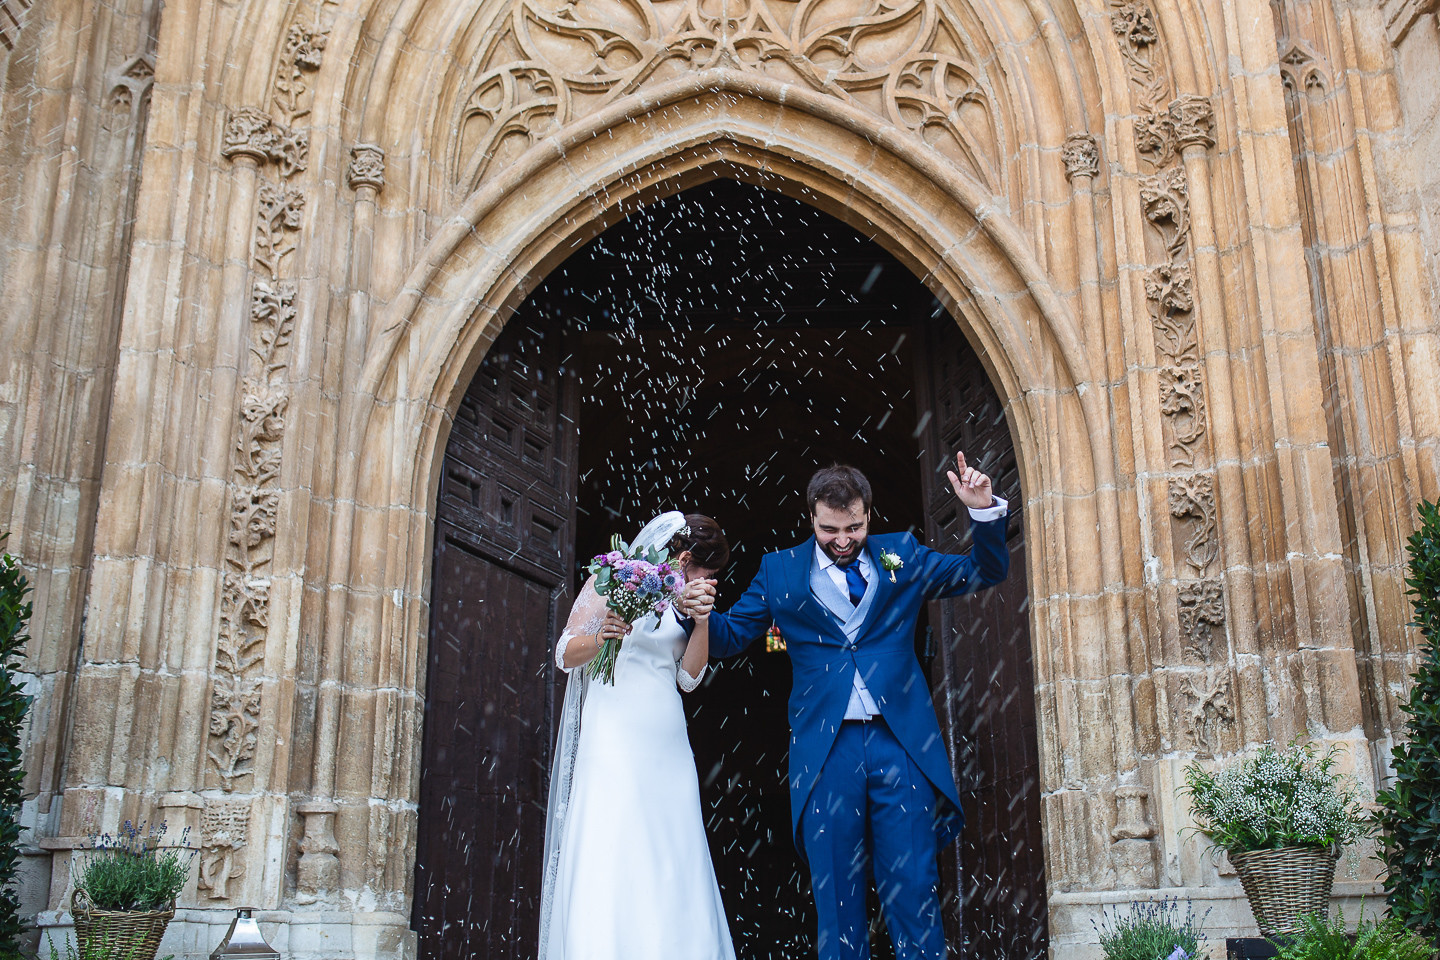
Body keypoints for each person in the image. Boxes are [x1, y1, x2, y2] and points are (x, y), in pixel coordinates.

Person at [701, 453, 1009, 960]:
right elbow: (731, 636)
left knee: (913, 889)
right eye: (829, 529)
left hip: (900, 741)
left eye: (854, 528)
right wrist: (684, 606)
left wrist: (983, 512)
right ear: (811, 518)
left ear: (869, 515)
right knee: (837, 899)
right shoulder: (779, 571)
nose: (842, 540)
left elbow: (984, 570)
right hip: (827, 749)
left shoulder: (903, 554)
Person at [538, 511, 736, 960]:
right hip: (613, 732)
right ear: (684, 559)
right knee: (615, 838)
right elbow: (565, 654)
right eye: (705, 572)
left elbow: (689, 679)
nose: (708, 580)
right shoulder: (614, 576)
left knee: (672, 847)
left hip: (666, 739)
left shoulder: (686, 607)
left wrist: (702, 620)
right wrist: (605, 638)